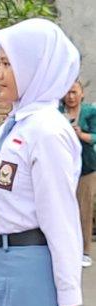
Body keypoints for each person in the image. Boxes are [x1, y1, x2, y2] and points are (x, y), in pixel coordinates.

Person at [0, 19, 82, 306]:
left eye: (8, 64)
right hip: (0, 261)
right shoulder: (16, 126)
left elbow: (64, 228)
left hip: (31, 265)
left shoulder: (47, 132)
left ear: (35, 67)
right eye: (0, 62)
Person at [60, 80, 96, 268]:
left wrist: (81, 135)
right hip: (62, 169)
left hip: (86, 169)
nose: (71, 97)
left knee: (84, 209)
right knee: (63, 208)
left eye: (74, 92)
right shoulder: (57, 112)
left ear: (82, 94)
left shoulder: (90, 112)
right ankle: (66, 248)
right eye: (67, 93)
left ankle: (84, 251)